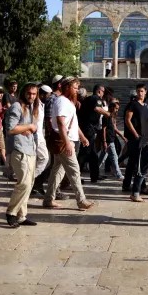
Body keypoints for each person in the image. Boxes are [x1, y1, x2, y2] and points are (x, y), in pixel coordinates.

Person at [43, 77, 95, 211]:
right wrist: (67, 143)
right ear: (67, 87)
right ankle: (81, 200)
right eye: (75, 88)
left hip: (65, 140)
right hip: (63, 141)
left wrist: (82, 137)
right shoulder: (62, 101)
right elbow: (60, 123)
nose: (77, 90)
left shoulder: (68, 102)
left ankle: (48, 199)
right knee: (74, 170)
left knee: (57, 171)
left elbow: (73, 123)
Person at [5, 83, 40, 227]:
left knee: (29, 184)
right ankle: (11, 212)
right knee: (24, 183)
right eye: (29, 93)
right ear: (23, 93)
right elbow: (10, 128)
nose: (31, 96)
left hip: (30, 149)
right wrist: (28, 127)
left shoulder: (32, 108)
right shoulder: (17, 107)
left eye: (34, 94)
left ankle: (21, 215)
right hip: (19, 150)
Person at [123, 84, 148, 194]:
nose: (140, 93)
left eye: (142, 91)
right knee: (139, 162)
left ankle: (126, 184)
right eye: (138, 91)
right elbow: (127, 120)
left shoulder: (144, 105)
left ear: (145, 92)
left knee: (132, 162)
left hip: (142, 136)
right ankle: (142, 186)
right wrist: (135, 134)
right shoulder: (133, 104)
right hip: (135, 137)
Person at [79, 84, 111, 183]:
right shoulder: (96, 98)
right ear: (99, 91)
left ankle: (95, 175)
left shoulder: (89, 99)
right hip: (88, 128)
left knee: (93, 154)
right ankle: (75, 176)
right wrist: (107, 113)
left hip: (88, 128)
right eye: (103, 92)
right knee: (85, 152)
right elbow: (97, 108)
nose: (103, 94)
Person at [102, 101, 126, 179]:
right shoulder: (106, 116)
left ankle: (95, 171)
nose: (117, 110)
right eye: (116, 108)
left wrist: (122, 137)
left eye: (118, 109)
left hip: (111, 138)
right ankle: (118, 174)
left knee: (103, 157)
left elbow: (115, 128)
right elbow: (104, 129)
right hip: (108, 139)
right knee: (114, 157)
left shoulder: (112, 117)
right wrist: (104, 141)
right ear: (112, 107)